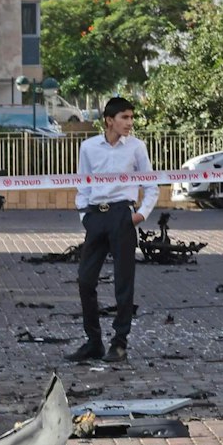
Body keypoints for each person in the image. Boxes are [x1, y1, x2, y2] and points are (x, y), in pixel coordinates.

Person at [70, 95, 156, 362]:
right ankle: (93, 341)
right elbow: (83, 183)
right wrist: (84, 214)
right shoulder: (89, 147)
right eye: (124, 118)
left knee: (123, 282)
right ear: (109, 120)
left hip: (122, 215)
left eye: (131, 117)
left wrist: (140, 215)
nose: (129, 123)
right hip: (96, 216)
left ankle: (119, 342)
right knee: (86, 280)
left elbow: (151, 184)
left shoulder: (136, 148)